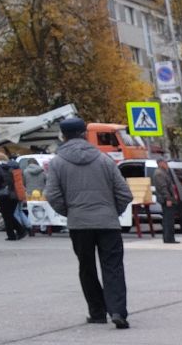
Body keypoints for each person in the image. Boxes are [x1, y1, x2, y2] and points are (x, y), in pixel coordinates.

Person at [44, 115, 133, 327]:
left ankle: (97, 312)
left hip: (79, 223)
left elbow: (53, 195)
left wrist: (71, 212)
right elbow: (124, 194)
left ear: (63, 136)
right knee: (113, 266)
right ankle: (118, 311)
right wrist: (112, 211)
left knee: (86, 267)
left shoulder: (57, 163)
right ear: (85, 134)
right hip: (108, 223)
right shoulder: (104, 160)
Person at [0, 146, 25, 241]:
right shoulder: (14, 167)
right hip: (15, 194)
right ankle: (16, 233)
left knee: (7, 215)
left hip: (3, 195)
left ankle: (18, 232)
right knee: (9, 215)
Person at [149, 149, 181, 243]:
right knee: (168, 220)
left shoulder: (163, 172)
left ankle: (170, 238)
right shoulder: (159, 173)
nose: (166, 164)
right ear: (160, 163)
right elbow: (163, 188)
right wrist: (168, 198)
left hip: (168, 199)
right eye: (165, 162)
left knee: (170, 219)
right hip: (166, 200)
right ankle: (168, 238)